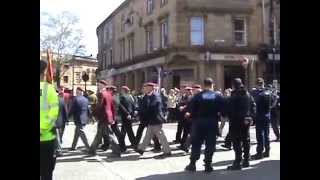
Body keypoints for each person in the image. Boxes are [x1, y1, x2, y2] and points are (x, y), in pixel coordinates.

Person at [185, 77, 226, 173]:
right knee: (210, 144)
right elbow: (223, 111)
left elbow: (191, 110)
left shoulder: (197, 96)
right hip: (212, 122)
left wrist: (192, 117)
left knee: (196, 143)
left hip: (198, 122)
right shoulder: (217, 96)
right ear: (213, 85)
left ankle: (192, 164)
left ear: (203, 85)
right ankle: (208, 164)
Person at [226, 78, 256, 170]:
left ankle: (237, 162)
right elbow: (253, 106)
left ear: (234, 85)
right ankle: (246, 160)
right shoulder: (248, 94)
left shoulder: (234, 95)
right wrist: (251, 117)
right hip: (246, 121)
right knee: (246, 140)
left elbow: (229, 108)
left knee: (237, 142)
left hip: (236, 121)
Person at [135, 82, 172, 157]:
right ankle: (141, 149)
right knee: (148, 135)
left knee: (161, 136)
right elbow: (143, 106)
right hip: (150, 120)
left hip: (156, 119)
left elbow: (152, 107)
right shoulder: (146, 96)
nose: (144, 89)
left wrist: (143, 110)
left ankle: (167, 151)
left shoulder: (156, 96)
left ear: (150, 88)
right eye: (144, 87)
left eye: (146, 87)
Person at [89, 81, 121, 156]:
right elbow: (113, 107)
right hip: (107, 117)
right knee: (99, 134)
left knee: (109, 134)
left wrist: (92, 114)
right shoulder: (109, 93)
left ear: (103, 85)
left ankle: (117, 152)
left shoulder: (101, 94)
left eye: (99, 85)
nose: (98, 86)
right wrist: (113, 117)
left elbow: (99, 106)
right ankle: (92, 150)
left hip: (103, 117)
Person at [40, 60, 59, 180]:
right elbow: (54, 113)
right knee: (46, 172)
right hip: (47, 138)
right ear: (43, 72)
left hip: (46, 137)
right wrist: (42, 128)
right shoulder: (49, 89)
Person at [251, 78, 276, 160]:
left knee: (260, 135)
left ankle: (259, 152)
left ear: (256, 84)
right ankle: (267, 151)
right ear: (263, 83)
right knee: (266, 134)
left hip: (259, 115)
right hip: (267, 115)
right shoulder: (269, 93)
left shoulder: (257, 93)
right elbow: (273, 102)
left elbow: (254, 104)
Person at [134, 84, 161, 151]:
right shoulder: (144, 96)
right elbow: (141, 106)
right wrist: (138, 111)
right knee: (141, 131)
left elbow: (150, 107)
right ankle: (136, 145)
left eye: (145, 88)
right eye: (144, 88)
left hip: (149, 118)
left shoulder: (153, 96)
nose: (144, 90)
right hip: (144, 117)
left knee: (152, 133)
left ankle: (157, 146)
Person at [68, 87, 91, 151]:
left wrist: (67, 117)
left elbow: (72, 110)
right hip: (84, 119)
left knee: (81, 133)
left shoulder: (75, 99)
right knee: (77, 132)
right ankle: (73, 146)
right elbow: (88, 109)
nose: (76, 92)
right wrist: (90, 117)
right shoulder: (86, 99)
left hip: (78, 119)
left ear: (78, 91)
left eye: (76, 91)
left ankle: (88, 147)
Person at [55, 90, 68, 157]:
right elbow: (65, 111)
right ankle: (58, 150)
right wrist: (66, 120)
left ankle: (59, 151)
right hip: (60, 122)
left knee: (56, 137)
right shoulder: (61, 100)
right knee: (58, 136)